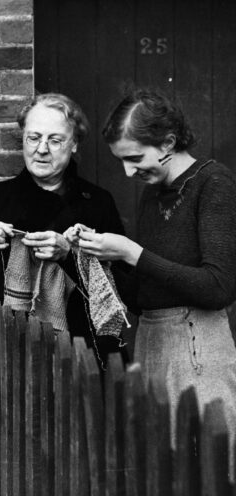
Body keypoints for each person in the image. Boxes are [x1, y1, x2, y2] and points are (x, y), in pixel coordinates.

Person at [70, 88, 236, 441]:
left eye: (135, 157)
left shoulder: (214, 184)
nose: (129, 172)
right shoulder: (153, 193)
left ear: (168, 142)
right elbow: (144, 293)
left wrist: (132, 253)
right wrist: (93, 255)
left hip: (198, 350)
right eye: (121, 161)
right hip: (151, 342)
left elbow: (219, 287)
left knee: (206, 470)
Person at [0, 93, 126, 359]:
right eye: (34, 138)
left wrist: (70, 256)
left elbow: (121, 287)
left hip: (80, 352)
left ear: (74, 144)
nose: (41, 149)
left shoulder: (97, 203)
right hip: (6, 353)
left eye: (55, 140)